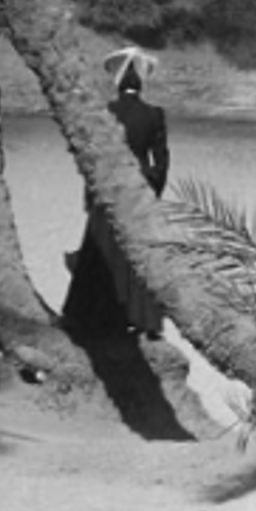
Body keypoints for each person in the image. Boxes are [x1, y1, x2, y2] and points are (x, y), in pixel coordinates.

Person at [61, 46, 170, 340]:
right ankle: (145, 322)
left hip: (108, 193)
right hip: (138, 194)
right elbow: (161, 161)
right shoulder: (154, 115)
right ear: (141, 83)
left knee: (99, 255)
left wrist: (92, 193)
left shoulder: (106, 113)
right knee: (138, 257)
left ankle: (90, 319)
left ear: (119, 83)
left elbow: (92, 156)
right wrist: (150, 189)